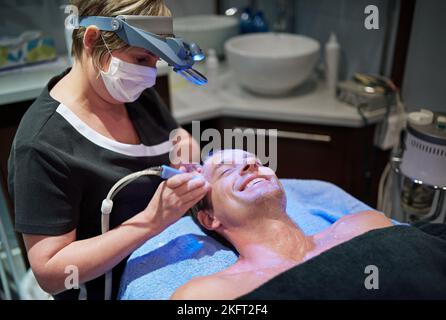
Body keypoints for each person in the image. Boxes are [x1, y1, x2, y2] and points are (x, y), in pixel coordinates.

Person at [7, 0, 209, 300]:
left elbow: (173, 137)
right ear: (91, 39)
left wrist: (185, 149)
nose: (150, 75)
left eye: (155, 61)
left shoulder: (131, 93)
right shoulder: (41, 146)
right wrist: (151, 222)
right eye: (141, 59)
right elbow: (51, 272)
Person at [171, 149, 393, 300]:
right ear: (210, 218)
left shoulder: (363, 227)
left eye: (256, 162)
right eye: (226, 171)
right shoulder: (211, 294)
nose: (251, 164)